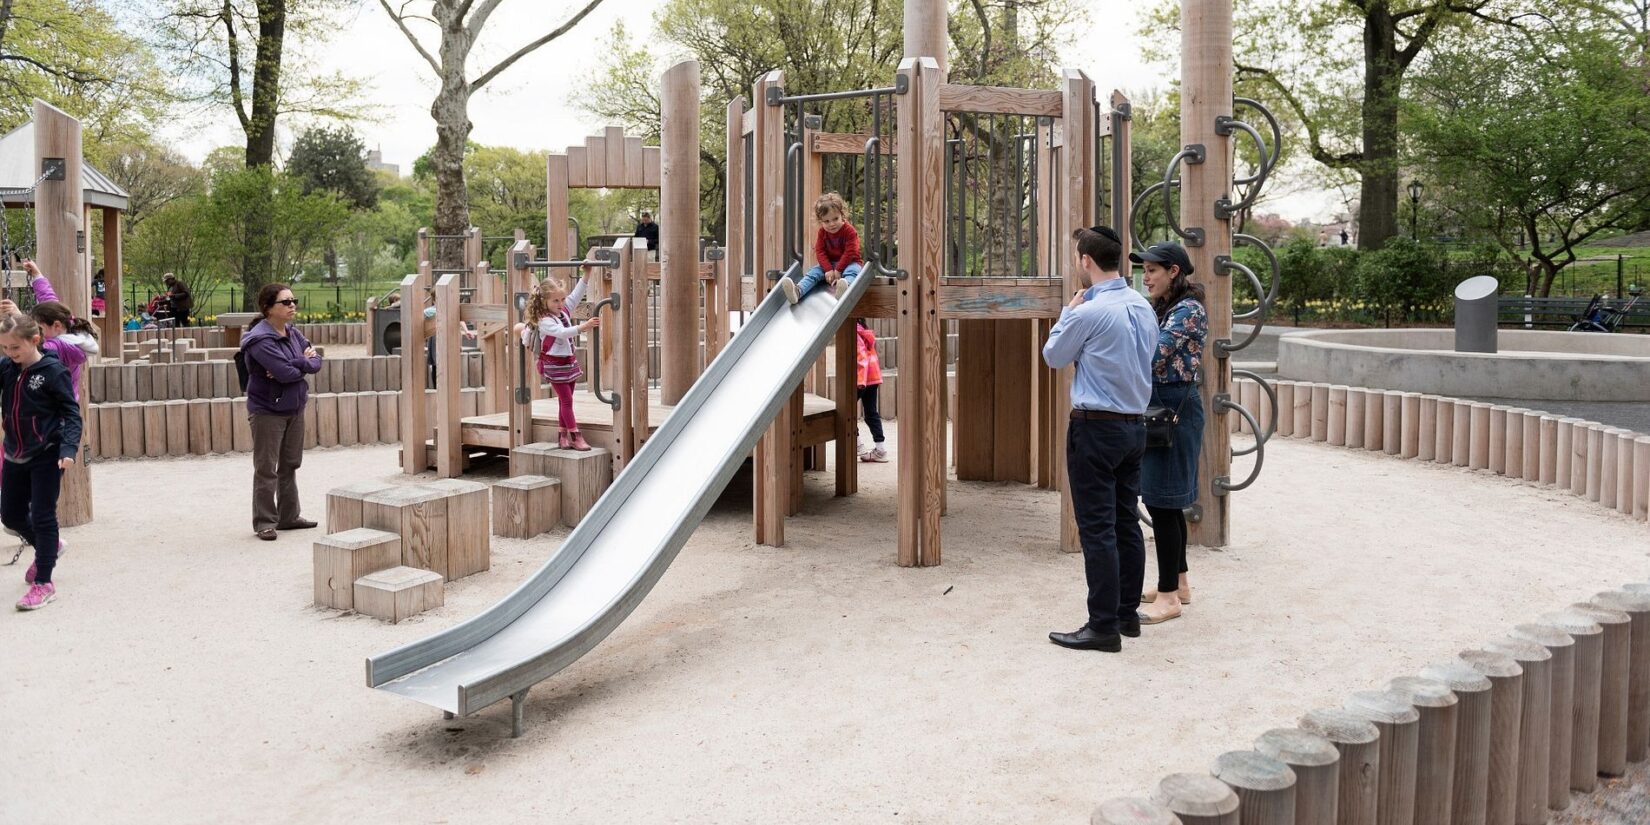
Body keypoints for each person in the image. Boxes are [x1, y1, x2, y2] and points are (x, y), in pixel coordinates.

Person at [1041, 225, 1157, 652]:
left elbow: (1054, 356)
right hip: (1134, 425)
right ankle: (1127, 614)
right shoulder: (1143, 308)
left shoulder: (1088, 312)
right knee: (1126, 521)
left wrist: (1066, 314)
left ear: (1085, 260)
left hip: (1096, 427)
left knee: (1097, 529)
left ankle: (1102, 625)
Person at [1132, 242, 1207, 625]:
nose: (1145, 277)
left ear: (1174, 271)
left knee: (1162, 502)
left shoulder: (1188, 310)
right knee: (1165, 501)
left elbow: (1152, 354)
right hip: (1164, 407)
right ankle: (1178, 582)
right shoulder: (1164, 308)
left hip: (1175, 408)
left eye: (1152, 271)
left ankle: (1168, 597)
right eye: (1143, 270)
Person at [0, 314, 82, 610]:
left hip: (47, 453)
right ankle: (51, 547)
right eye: (5, 348)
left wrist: (69, 449)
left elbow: (72, 413)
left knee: (44, 515)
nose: (10, 354)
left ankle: (44, 582)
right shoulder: (8, 368)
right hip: (14, 452)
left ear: (34, 340)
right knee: (10, 516)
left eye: (14, 348)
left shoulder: (52, 371)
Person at [241, 283, 322, 541]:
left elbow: (316, 362)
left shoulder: (293, 332)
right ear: (268, 308)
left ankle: (289, 516)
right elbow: (287, 373)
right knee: (266, 467)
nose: (292, 305)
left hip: (294, 407)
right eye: (285, 302)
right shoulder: (260, 340)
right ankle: (265, 521)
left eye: (293, 300)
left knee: (290, 464)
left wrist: (298, 363)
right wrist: (303, 363)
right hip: (267, 410)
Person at [516, 264, 599, 451]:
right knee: (567, 401)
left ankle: (562, 436)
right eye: (555, 301)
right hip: (554, 364)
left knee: (565, 401)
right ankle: (576, 436)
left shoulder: (562, 312)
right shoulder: (545, 320)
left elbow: (576, 296)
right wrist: (583, 327)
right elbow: (562, 333)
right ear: (544, 301)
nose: (560, 304)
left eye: (562, 299)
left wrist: (586, 275)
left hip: (568, 362)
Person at [781, 192, 861, 304]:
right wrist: (828, 269)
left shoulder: (849, 231)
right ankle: (798, 291)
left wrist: (838, 270)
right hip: (830, 264)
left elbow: (851, 252)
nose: (832, 224)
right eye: (826, 221)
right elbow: (820, 251)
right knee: (813, 273)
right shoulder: (822, 232)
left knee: (853, 271)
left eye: (835, 219)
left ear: (842, 215)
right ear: (820, 221)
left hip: (850, 263)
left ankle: (845, 288)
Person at [855, 319, 887, 463]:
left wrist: (860, 381)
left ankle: (857, 445)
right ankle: (880, 450)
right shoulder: (863, 329)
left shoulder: (853, 330)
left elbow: (861, 356)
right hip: (873, 376)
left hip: (864, 377)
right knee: (871, 413)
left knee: (845, 411)